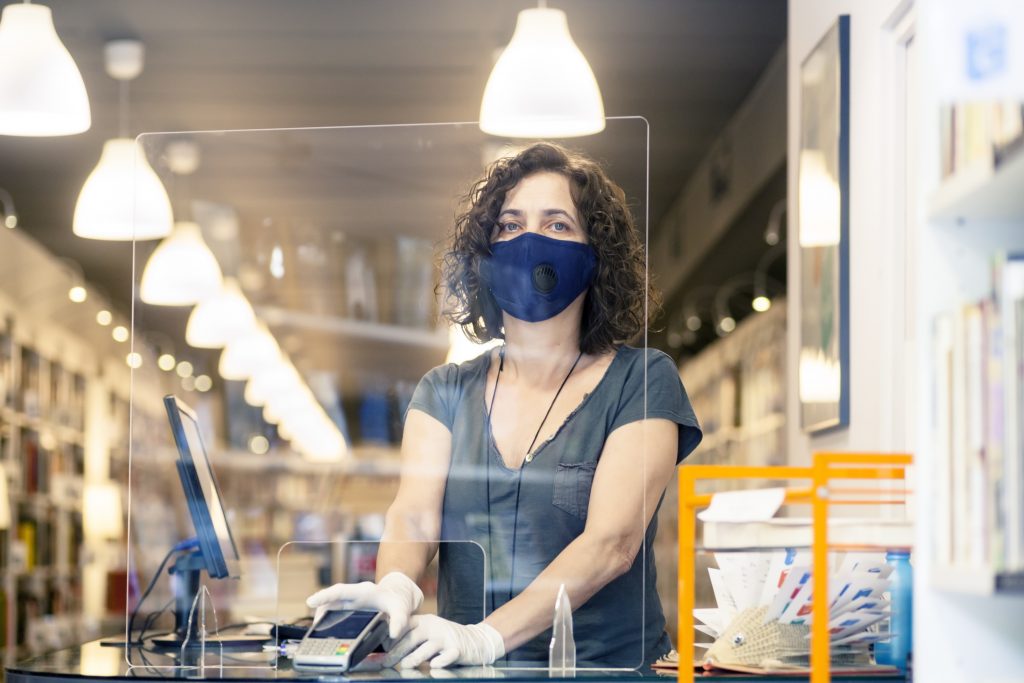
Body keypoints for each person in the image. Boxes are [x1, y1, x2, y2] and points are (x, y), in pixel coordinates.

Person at [307, 143, 702, 669]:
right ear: (484, 252)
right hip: (469, 676)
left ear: (596, 255)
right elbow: (414, 513)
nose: (530, 240)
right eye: (510, 225)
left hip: (606, 673)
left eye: (557, 224)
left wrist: (486, 638)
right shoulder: (444, 390)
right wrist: (397, 587)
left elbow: (613, 542)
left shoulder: (643, 380)